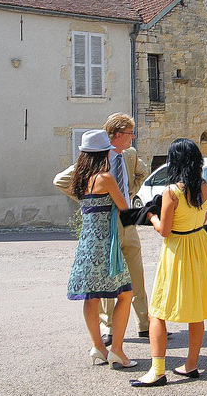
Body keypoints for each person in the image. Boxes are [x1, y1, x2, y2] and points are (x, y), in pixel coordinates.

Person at [54, 113, 151, 344]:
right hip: (109, 225)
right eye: (130, 133)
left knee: (136, 275)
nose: (133, 137)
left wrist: (131, 190)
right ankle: (109, 329)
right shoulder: (95, 167)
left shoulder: (130, 155)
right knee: (109, 281)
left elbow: (141, 172)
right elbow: (60, 180)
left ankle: (144, 325)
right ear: (117, 135)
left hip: (125, 227)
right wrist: (90, 200)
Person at [130, 138, 207, 387]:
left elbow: (165, 230)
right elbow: (203, 218)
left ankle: (157, 371)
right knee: (196, 310)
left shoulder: (171, 192)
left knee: (158, 310)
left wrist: (150, 215)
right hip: (200, 246)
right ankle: (191, 364)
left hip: (177, 251)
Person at [66, 130, 137, 368]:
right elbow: (124, 207)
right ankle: (116, 349)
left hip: (86, 242)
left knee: (91, 296)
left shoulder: (78, 178)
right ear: (103, 153)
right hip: (106, 242)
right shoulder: (105, 178)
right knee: (125, 293)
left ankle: (98, 346)